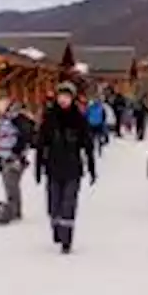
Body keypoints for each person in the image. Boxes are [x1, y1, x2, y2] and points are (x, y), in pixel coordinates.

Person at [35, 82, 96, 254]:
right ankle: (56, 228)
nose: (63, 100)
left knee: (68, 204)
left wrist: (92, 168)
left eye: (67, 97)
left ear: (72, 98)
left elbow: (88, 145)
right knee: (54, 205)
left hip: (72, 169)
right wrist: (38, 168)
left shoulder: (79, 119)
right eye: (61, 96)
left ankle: (67, 240)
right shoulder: (49, 117)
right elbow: (41, 144)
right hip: (53, 168)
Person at [0, 96, 32, 222]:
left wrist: (17, 152)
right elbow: (0, 137)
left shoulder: (17, 118)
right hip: (4, 156)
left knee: (11, 184)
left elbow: (26, 135)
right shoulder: (3, 118)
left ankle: (14, 211)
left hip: (14, 158)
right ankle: (13, 208)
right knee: (8, 185)